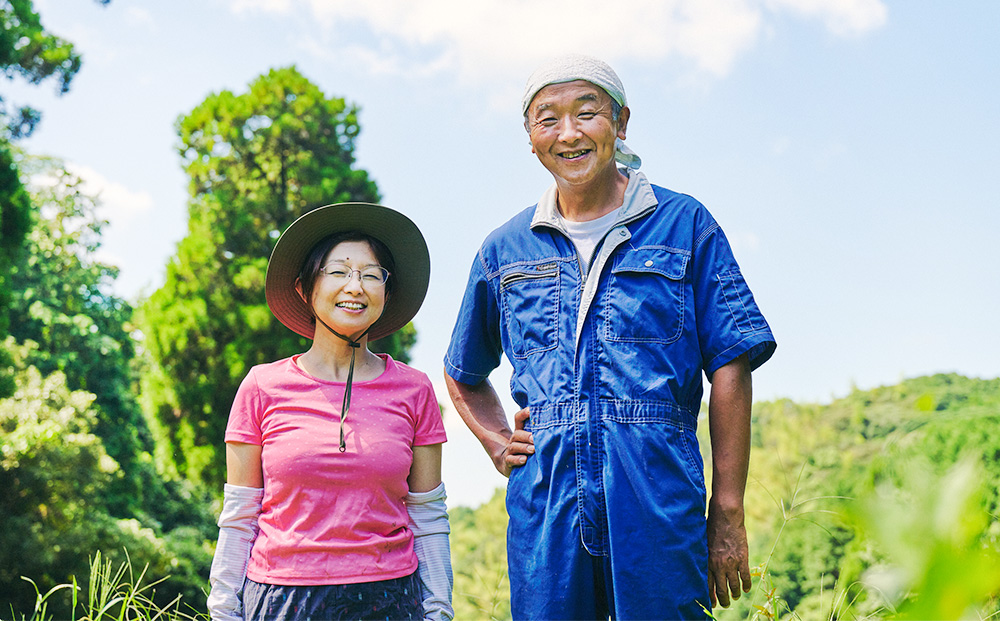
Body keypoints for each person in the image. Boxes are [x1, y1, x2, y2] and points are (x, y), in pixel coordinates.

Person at [444, 55, 777, 620]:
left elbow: (730, 366)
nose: (568, 133)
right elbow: (462, 370)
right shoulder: (503, 250)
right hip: (547, 510)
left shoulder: (683, 223)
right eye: (547, 119)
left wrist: (727, 510)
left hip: (657, 499)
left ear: (620, 123)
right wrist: (498, 439)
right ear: (530, 139)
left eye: (587, 113)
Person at [207, 202, 453, 621]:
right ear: (306, 288)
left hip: (389, 599)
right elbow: (240, 515)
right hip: (280, 599)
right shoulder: (261, 387)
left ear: (386, 293)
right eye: (338, 272)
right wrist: (223, 610)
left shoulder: (415, 389)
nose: (355, 287)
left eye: (371, 275)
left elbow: (427, 515)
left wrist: (439, 611)